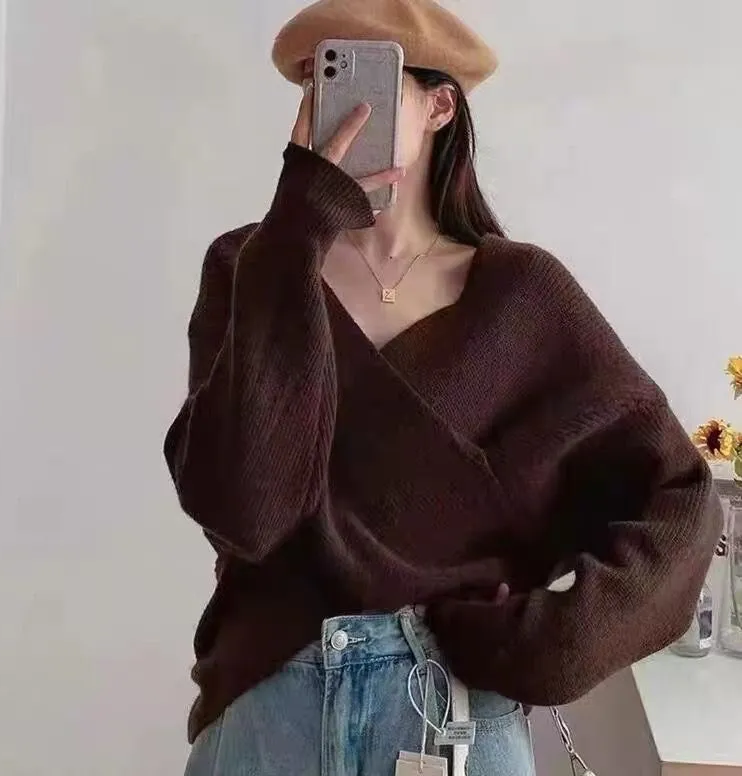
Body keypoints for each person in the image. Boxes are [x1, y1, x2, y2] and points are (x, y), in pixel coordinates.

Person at [164, 1, 723, 774]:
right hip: (269, 716)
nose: (338, 107)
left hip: (449, 714)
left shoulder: (520, 294)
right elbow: (244, 514)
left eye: (373, 79)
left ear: (440, 106)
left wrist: (551, 643)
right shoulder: (250, 269)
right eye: (320, 81)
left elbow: (678, 498)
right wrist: (295, 231)